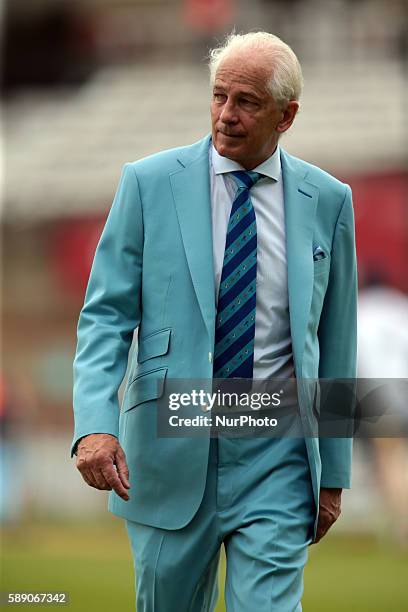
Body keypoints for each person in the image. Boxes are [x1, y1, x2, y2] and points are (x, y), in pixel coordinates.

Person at [71, 32, 357, 611]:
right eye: (219, 96)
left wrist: (335, 472)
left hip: (278, 451)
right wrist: (93, 425)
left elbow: (337, 343)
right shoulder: (147, 184)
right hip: (168, 448)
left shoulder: (329, 200)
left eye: (247, 101)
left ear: (287, 115)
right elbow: (105, 316)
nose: (226, 115)